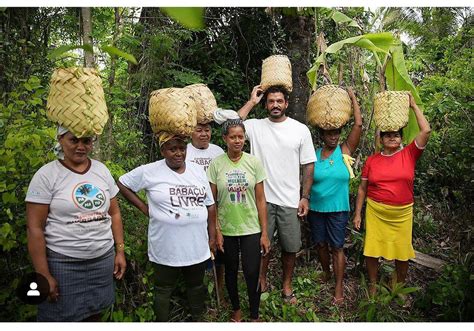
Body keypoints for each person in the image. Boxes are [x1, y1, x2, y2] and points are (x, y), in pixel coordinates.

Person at [26, 126, 126, 322]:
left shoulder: (101, 170)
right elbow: (34, 228)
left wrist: (119, 250)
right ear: (61, 139)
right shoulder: (46, 176)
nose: (81, 146)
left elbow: (114, 213)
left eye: (86, 141)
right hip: (63, 263)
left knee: (94, 314)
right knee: (58, 316)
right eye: (74, 140)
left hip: (102, 260)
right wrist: (44, 274)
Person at [117, 135, 216, 321]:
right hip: (165, 245)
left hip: (197, 244)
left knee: (195, 285)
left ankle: (198, 319)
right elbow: (122, 184)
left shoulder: (197, 171)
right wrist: (143, 207)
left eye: (182, 148)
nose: (178, 153)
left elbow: (210, 205)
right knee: (163, 288)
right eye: (172, 149)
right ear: (163, 151)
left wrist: (212, 235)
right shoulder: (150, 171)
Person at [238, 85, 316, 304]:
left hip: (290, 200)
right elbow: (232, 124)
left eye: (279, 101)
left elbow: (308, 166)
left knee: (290, 248)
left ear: (286, 104)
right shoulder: (255, 127)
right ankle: (261, 281)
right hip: (260, 200)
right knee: (262, 246)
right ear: (266, 104)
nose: (275, 105)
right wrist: (252, 101)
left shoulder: (300, 130)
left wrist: (305, 196)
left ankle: (286, 285)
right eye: (271, 101)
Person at [353, 93, 431, 295]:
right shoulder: (372, 160)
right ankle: (372, 284)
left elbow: (426, 130)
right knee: (372, 250)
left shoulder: (409, 154)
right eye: (387, 134)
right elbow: (362, 189)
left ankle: (398, 288)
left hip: (402, 213)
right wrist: (357, 214)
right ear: (381, 139)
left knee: (402, 253)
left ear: (401, 137)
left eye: (396, 134)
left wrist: (413, 106)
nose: (392, 137)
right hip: (376, 211)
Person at [207, 119, 270, 322]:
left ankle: (254, 314)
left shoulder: (253, 163)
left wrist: (265, 233)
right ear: (225, 138)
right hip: (227, 229)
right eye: (232, 137)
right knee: (231, 271)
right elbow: (212, 201)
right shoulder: (216, 164)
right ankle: (236, 309)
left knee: (252, 272)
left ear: (245, 138)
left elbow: (261, 199)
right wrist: (216, 230)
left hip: (251, 226)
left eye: (240, 137)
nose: (237, 141)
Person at [308, 88, 362, 305]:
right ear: (322, 134)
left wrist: (352, 97)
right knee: (320, 244)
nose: (334, 136)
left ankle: (338, 285)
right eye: (330, 133)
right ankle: (326, 272)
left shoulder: (345, 150)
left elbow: (358, 125)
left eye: (337, 133)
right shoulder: (314, 154)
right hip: (316, 208)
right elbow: (307, 178)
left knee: (337, 246)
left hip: (338, 209)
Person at [186, 122, 226, 303]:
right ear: (191, 133)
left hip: (218, 208)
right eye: (199, 130)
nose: (204, 134)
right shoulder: (185, 151)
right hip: (193, 209)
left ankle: (220, 290)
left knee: (219, 250)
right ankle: (199, 292)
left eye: (207, 130)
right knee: (198, 251)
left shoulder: (217, 151)